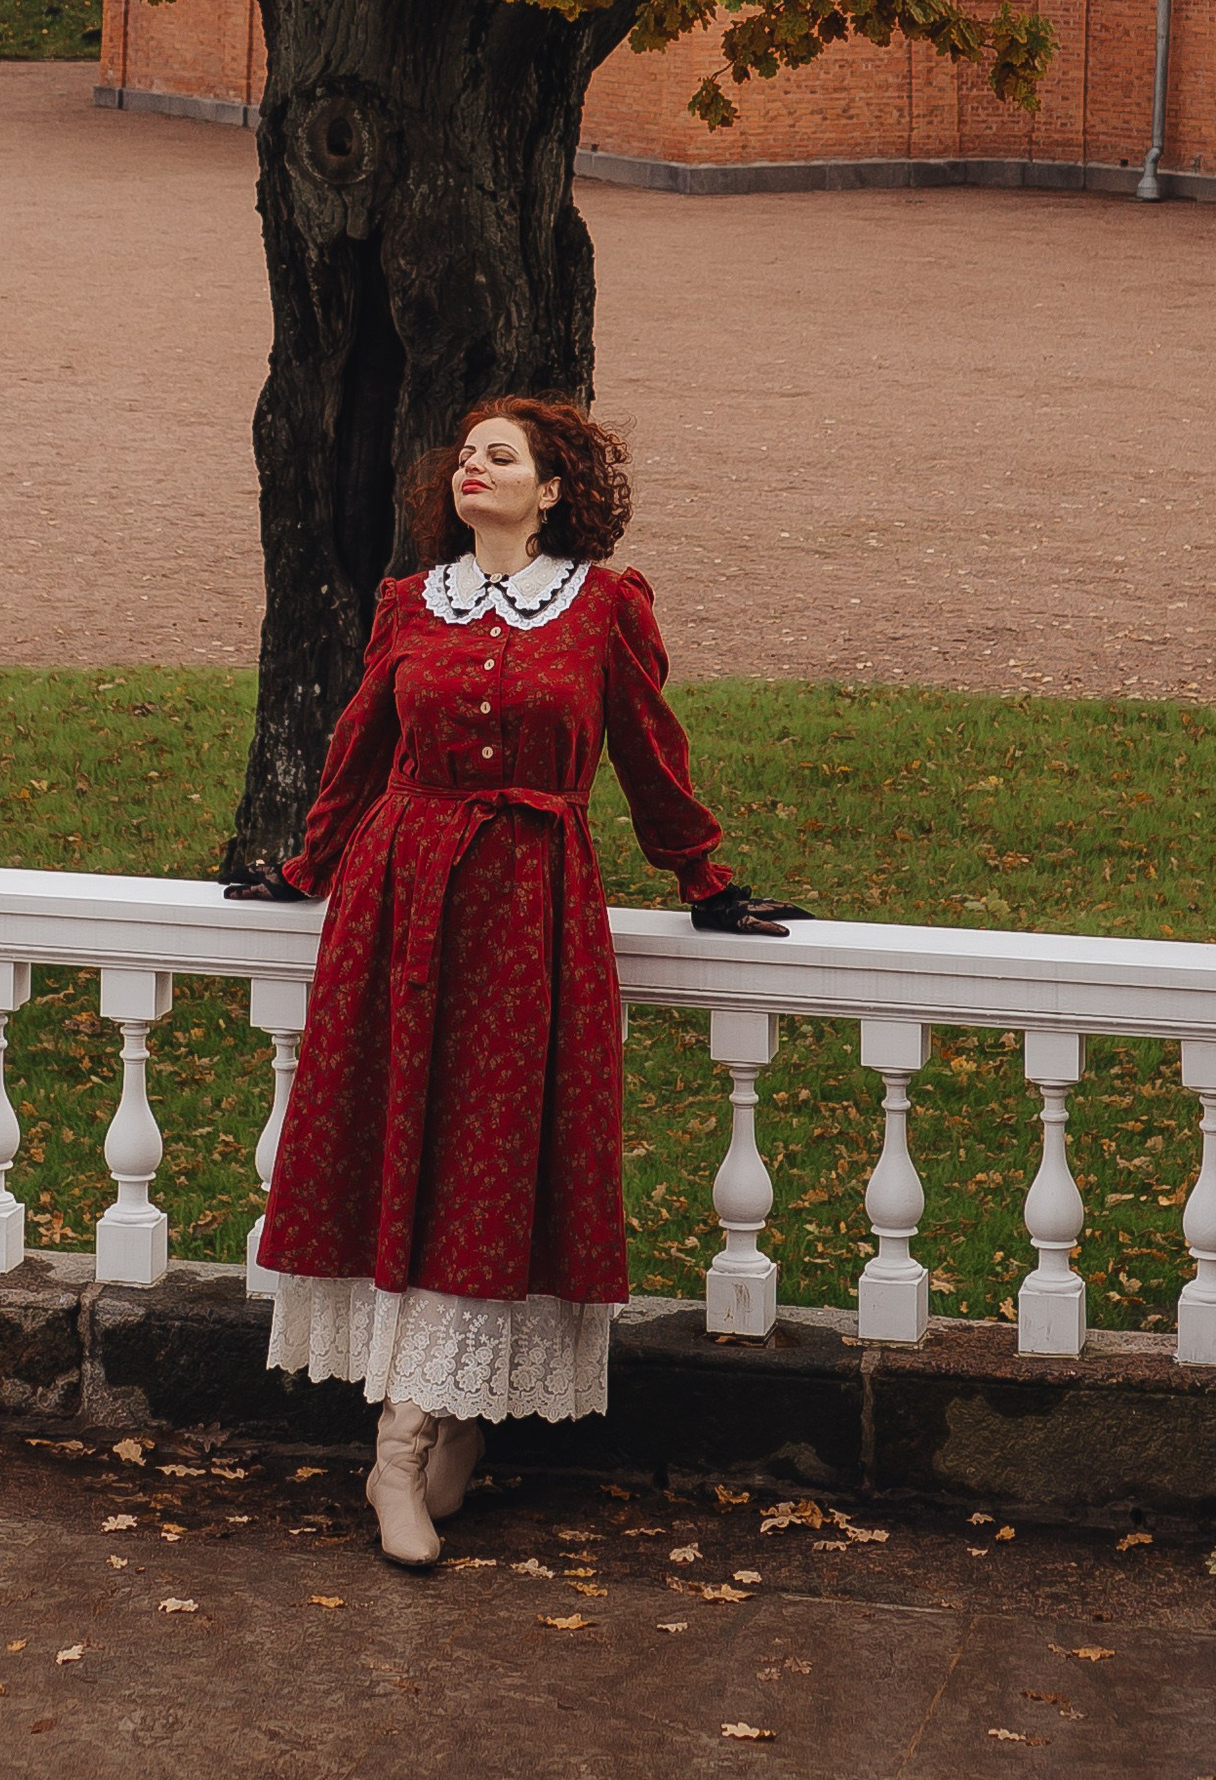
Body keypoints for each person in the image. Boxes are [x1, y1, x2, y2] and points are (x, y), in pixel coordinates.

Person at [226, 394, 800, 1571]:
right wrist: (307, 866)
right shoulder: (408, 605)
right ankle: (406, 1449)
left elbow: (649, 750)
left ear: (552, 491)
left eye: (504, 456)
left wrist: (705, 878)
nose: (473, 469)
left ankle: (432, 1426)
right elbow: (358, 746)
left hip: (529, 909)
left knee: (495, 1158)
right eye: (467, 454)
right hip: (399, 897)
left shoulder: (598, 609)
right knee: (406, 1150)